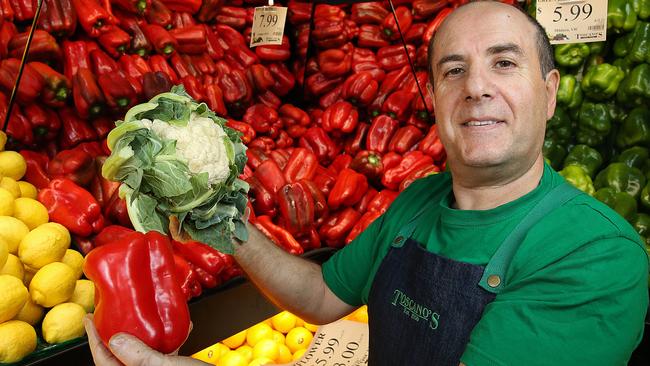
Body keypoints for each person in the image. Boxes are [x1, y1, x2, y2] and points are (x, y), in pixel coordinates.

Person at [84, 1, 649, 365]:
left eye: (505, 63)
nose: (476, 87)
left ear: (549, 93)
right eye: (453, 70)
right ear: (434, 99)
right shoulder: (418, 203)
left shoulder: (594, 254)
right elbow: (323, 296)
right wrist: (229, 228)